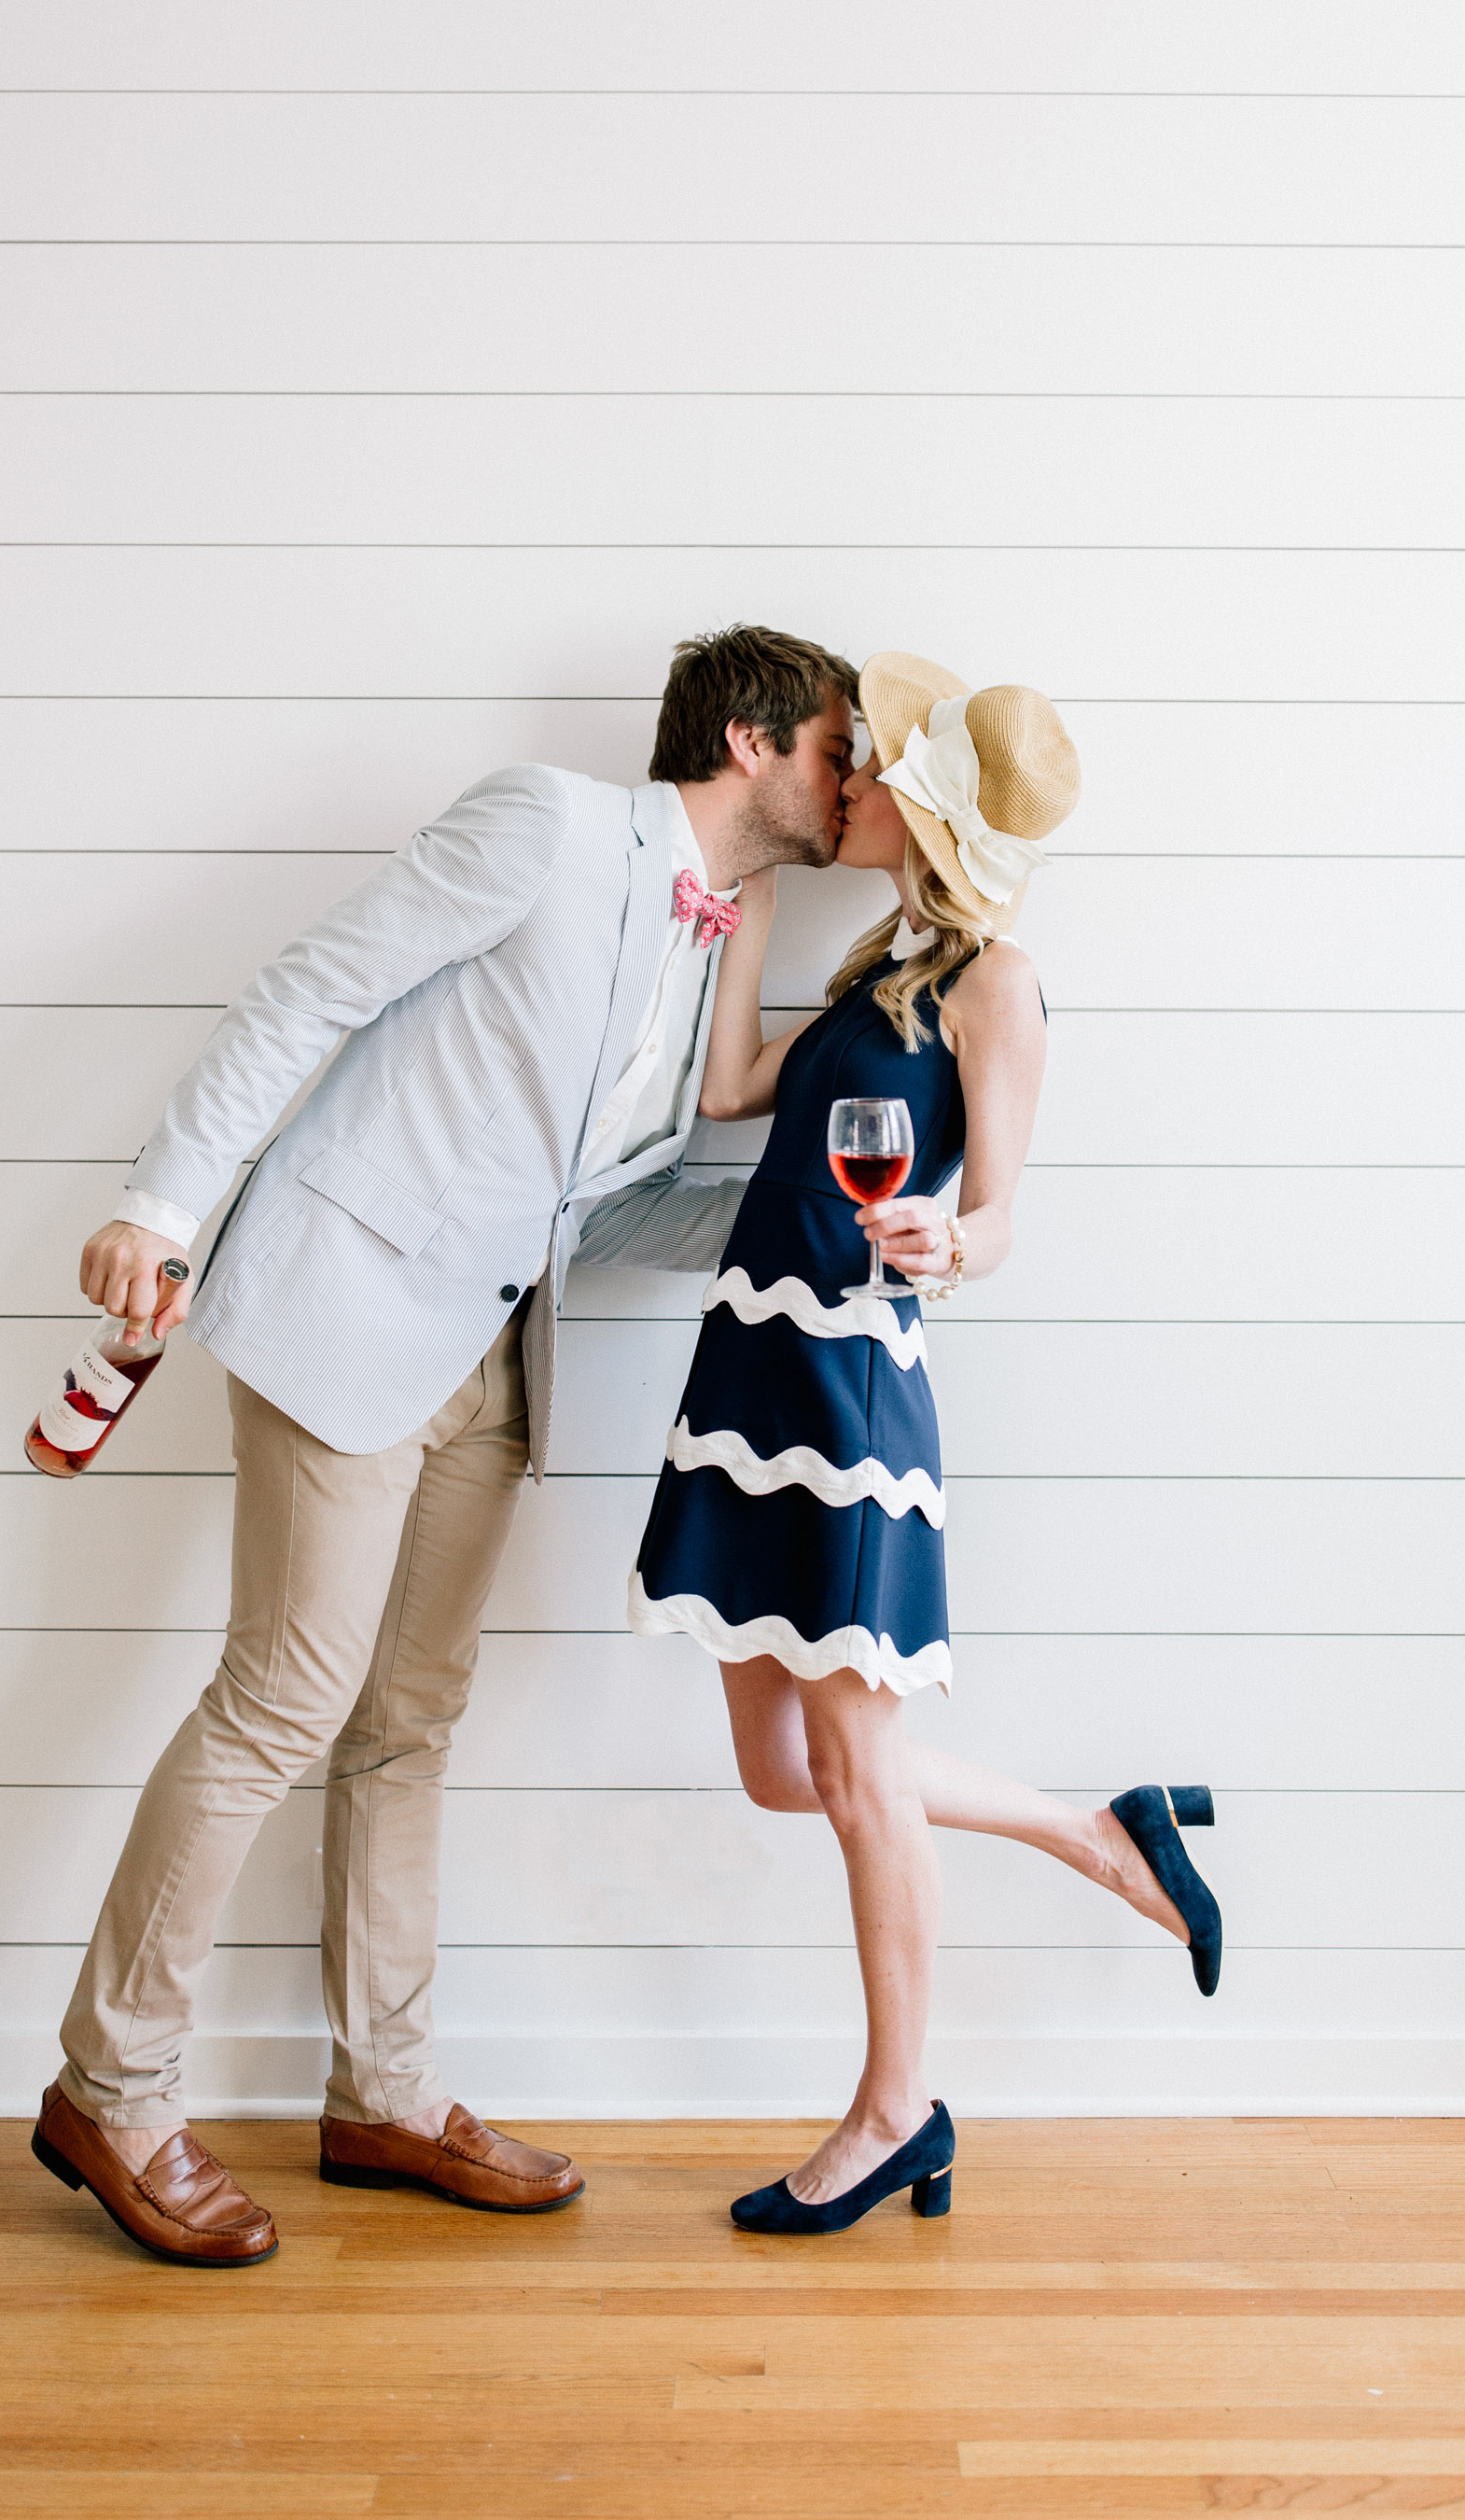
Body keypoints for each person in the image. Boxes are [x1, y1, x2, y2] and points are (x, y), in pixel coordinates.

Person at [29, 624, 859, 2264]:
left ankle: (386, 2095)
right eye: (841, 748)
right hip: (343, 1311)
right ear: (757, 739)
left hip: (495, 1349)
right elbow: (314, 987)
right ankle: (110, 2087)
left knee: (409, 1723)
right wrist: (160, 1205)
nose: (853, 784)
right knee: (283, 1700)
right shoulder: (547, 826)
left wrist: (828, 1210)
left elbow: (606, 1192)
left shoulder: (712, 941)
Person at [630, 651, 1222, 2235]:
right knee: (785, 1771)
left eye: (878, 768)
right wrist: (748, 889)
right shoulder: (874, 970)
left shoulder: (995, 982)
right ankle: (1093, 1828)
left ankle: (897, 2108)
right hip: (756, 1370)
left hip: (845, 1390)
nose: (855, 779)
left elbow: (1000, 1214)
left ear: (932, 812)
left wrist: (957, 1246)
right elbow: (731, 1084)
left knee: (856, 1770)